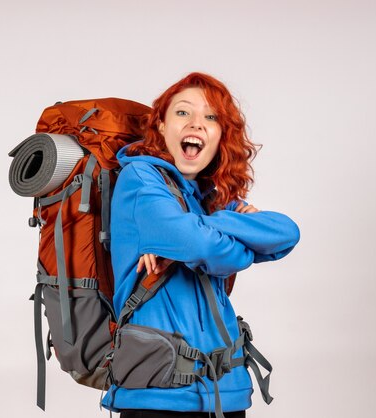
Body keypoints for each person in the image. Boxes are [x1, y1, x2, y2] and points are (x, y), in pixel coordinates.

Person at [101, 72, 300, 418]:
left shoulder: (211, 199)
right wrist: (236, 240)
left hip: (227, 392)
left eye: (211, 117)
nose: (196, 124)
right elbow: (203, 249)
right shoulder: (140, 180)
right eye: (182, 113)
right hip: (157, 396)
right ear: (161, 126)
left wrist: (203, 226)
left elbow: (286, 233)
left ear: (222, 135)